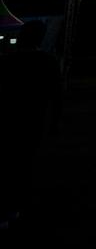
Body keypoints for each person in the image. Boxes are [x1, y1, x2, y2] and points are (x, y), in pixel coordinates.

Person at [0, 21, 63, 229]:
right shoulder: (48, 62)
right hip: (32, 121)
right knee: (23, 164)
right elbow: (57, 96)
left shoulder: (8, 61)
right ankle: (14, 207)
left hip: (8, 119)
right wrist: (54, 122)